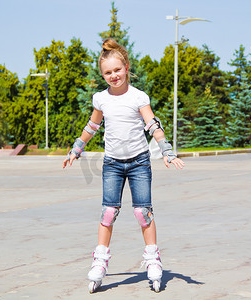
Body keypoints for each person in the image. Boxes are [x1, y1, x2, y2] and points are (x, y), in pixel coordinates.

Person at [63, 38, 185, 293]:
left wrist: (166, 150)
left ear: (127, 67)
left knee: (143, 212)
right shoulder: (100, 99)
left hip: (139, 161)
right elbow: (92, 127)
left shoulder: (139, 97)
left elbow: (153, 124)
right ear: (103, 74)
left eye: (117, 70)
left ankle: (152, 259)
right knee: (108, 212)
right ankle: (100, 262)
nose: (113, 76)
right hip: (113, 163)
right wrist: (76, 148)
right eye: (108, 72)